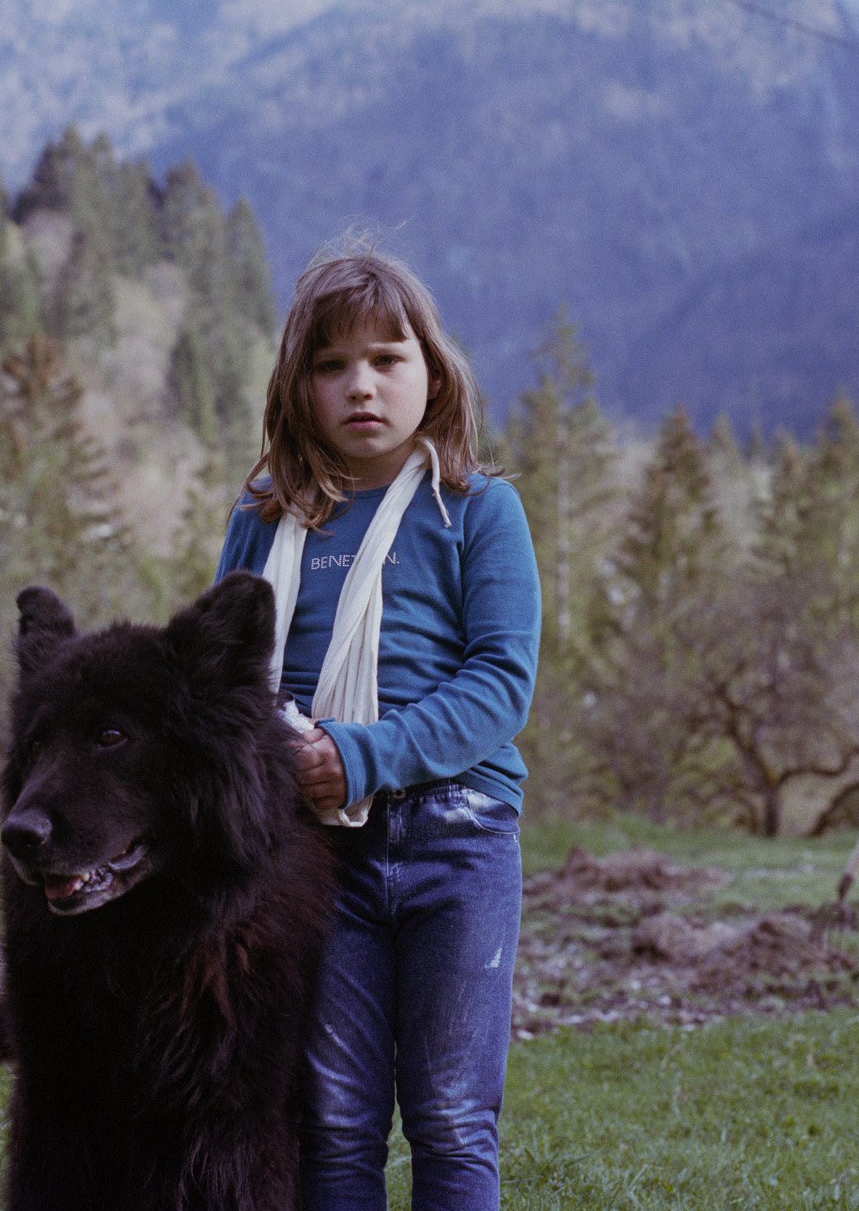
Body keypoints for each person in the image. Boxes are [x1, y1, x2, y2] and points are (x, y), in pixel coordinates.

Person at [214, 244, 541, 1211]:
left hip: (459, 840)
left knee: (449, 1115)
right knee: (335, 1118)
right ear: (298, 386)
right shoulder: (266, 519)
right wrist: (284, 751)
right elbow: (225, 676)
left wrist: (359, 754)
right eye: (331, 364)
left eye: (387, 358)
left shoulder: (478, 511)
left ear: (432, 372)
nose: (362, 384)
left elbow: (499, 684)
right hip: (317, 859)